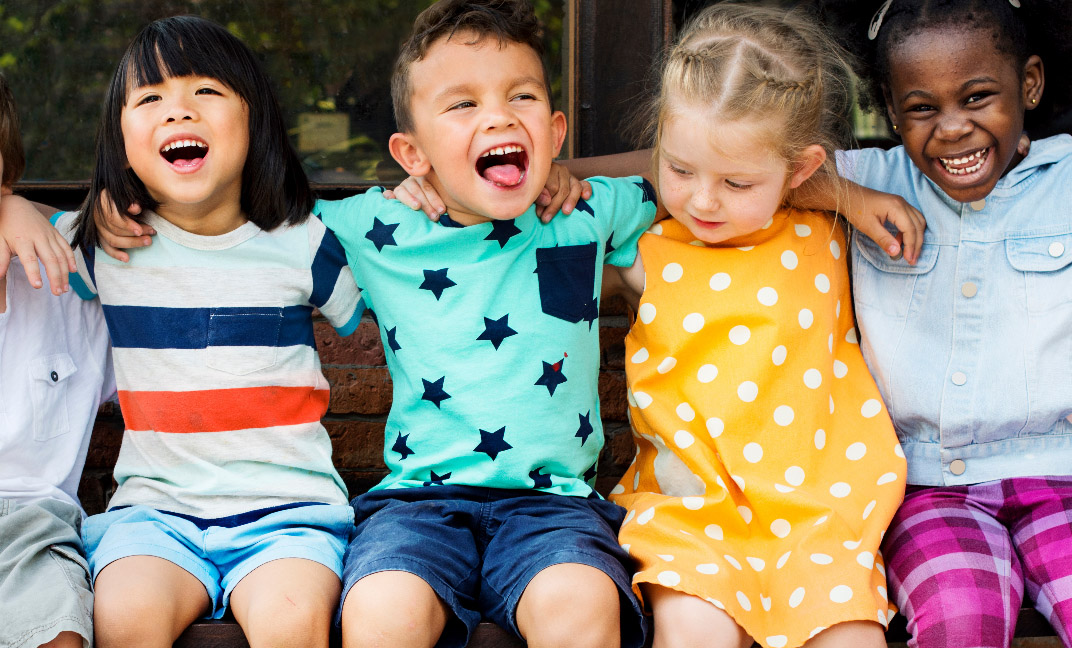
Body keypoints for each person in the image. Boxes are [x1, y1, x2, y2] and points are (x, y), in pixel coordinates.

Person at [0, 16, 363, 648]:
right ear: (122, 140)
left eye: (206, 92)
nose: (178, 113)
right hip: (155, 515)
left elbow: (399, 274)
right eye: (151, 100)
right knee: (123, 619)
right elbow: (31, 234)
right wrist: (12, 203)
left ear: (256, 121)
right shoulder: (102, 246)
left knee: (291, 624)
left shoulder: (307, 241)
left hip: (289, 513)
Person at [313, 2, 658, 647]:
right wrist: (113, 205)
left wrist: (577, 173)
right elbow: (247, 212)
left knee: (580, 601)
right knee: (383, 609)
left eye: (520, 96)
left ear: (555, 132)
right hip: (417, 505)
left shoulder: (584, 213)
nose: (499, 116)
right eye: (462, 104)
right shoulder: (376, 226)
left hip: (554, 507)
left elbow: (693, 165)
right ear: (410, 152)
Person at [598, 5, 907, 648]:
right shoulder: (643, 252)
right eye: (680, 171)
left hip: (820, 520)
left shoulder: (827, 231)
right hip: (692, 518)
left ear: (799, 171)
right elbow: (545, 206)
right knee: (694, 636)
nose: (704, 200)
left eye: (737, 182)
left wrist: (847, 196)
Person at [812, 0, 1072, 646]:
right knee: (961, 616)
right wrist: (848, 198)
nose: (953, 129)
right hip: (929, 489)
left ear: (1030, 85)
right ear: (890, 109)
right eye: (923, 107)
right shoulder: (871, 178)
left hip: (1062, 477)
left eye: (978, 97)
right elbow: (741, 166)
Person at [0, 73, 114, 648]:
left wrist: (27, 213)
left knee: (56, 632)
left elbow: (154, 227)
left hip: (30, 528)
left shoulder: (66, 278)